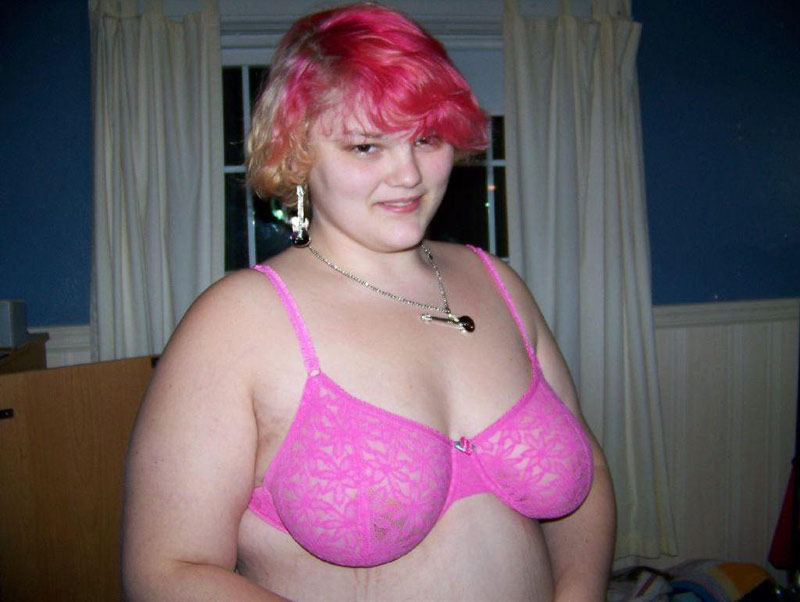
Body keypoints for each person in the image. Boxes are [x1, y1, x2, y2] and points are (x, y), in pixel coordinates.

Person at [120, 3, 616, 601]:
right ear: (296, 151)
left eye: (426, 139)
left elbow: (587, 475)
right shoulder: (236, 322)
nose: (408, 175)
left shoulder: (500, 285)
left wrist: (579, 592)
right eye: (365, 146)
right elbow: (167, 571)